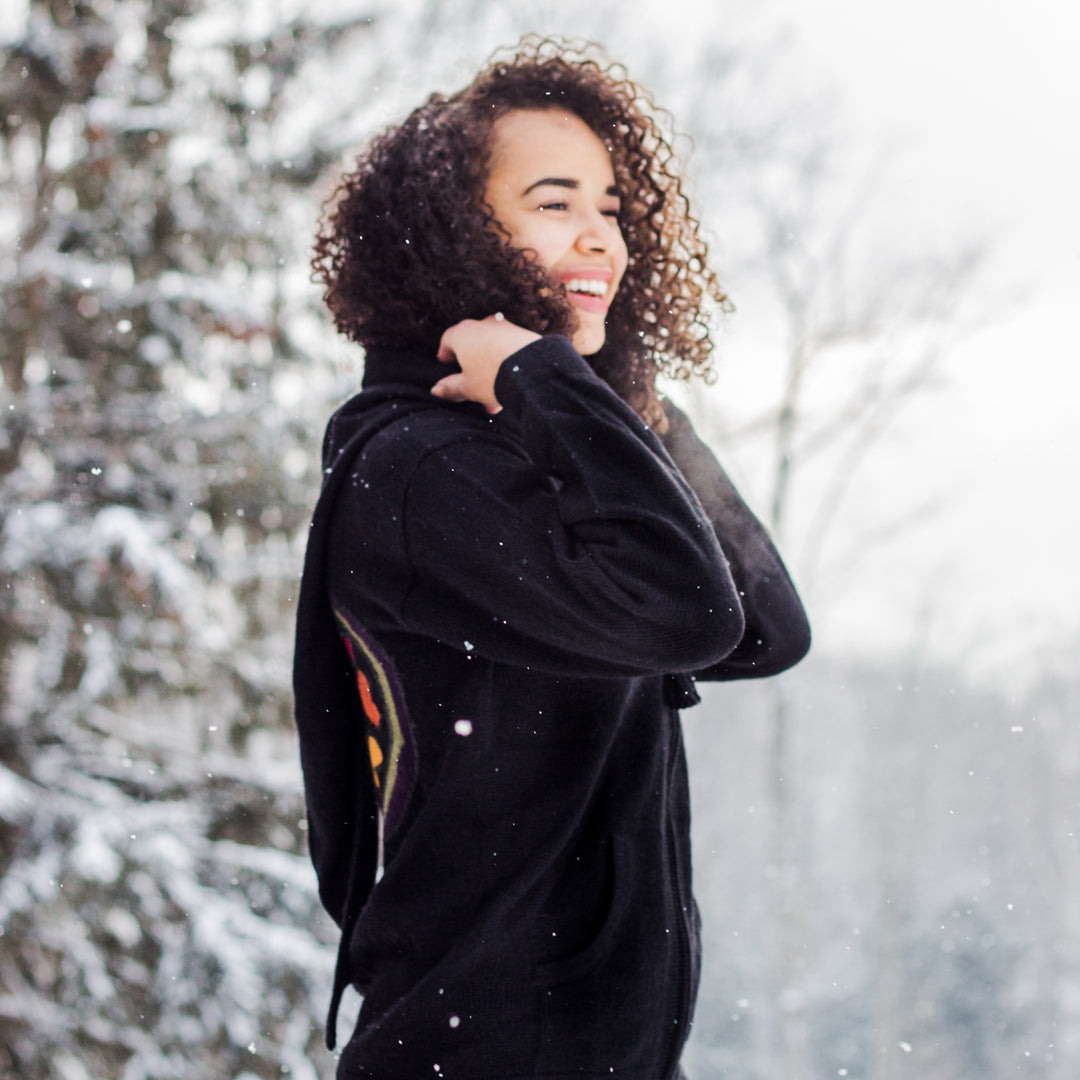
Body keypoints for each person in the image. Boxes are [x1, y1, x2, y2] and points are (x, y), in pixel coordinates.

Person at [293, 37, 810, 1080]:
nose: (599, 238)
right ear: (453, 233)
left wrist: (620, 402)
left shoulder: (530, 447)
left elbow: (765, 629)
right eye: (553, 202)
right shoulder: (418, 469)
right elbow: (689, 611)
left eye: (612, 209)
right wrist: (550, 381)